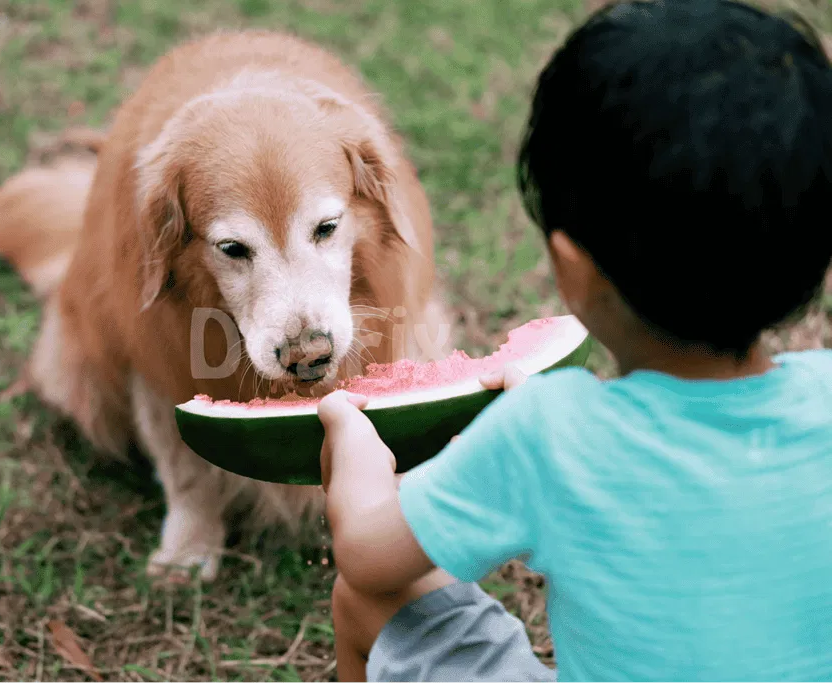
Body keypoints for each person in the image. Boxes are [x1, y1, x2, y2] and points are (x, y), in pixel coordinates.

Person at [316, 1, 832, 681]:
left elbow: (366, 555)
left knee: (370, 603)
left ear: (571, 268)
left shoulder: (546, 434)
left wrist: (353, 442)